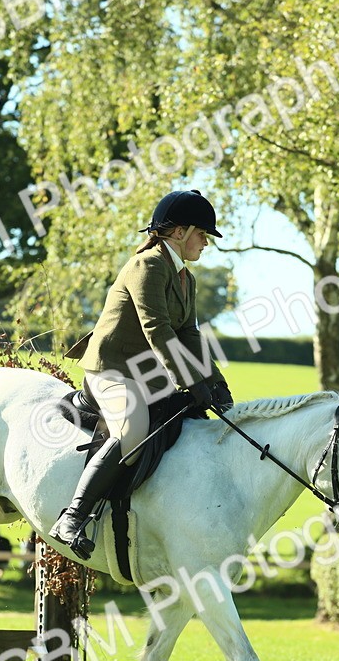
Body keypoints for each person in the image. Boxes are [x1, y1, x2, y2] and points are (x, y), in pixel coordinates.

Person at [54, 189, 233, 559]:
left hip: (146, 376)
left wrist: (216, 383)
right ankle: (72, 518)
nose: (205, 243)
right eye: (203, 234)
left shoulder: (187, 279)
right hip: (111, 370)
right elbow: (158, 330)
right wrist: (191, 381)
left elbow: (190, 336)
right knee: (132, 431)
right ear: (179, 232)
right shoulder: (147, 265)